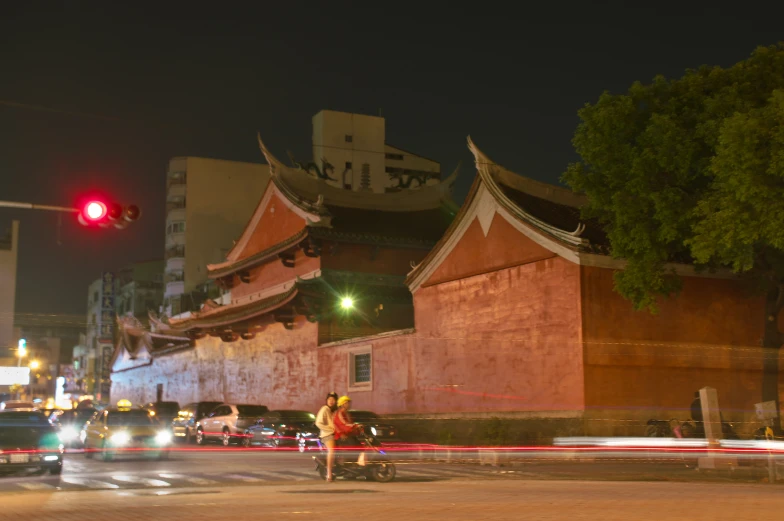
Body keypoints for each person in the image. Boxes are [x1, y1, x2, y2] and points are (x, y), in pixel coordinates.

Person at [333, 395, 365, 466]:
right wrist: (356, 426)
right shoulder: (339, 413)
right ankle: (349, 466)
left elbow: (350, 424)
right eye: (347, 403)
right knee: (353, 448)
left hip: (348, 435)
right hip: (341, 437)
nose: (349, 404)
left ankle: (357, 464)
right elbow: (344, 425)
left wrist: (358, 429)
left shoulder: (347, 413)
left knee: (361, 447)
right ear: (343, 404)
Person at [315, 392, 338, 481]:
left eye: (333, 400)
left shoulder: (334, 411)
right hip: (327, 435)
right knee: (332, 450)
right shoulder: (324, 409)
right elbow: (318, 423)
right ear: (326, 400)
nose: (331, 401)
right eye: (329, 399)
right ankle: (329, 472)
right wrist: (330, 429)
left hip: (335, 434)